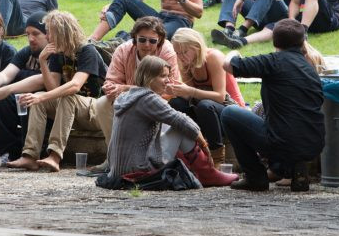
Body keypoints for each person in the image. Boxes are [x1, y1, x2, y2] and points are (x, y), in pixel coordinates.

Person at [101, 55, 239, 188]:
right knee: (180, 127)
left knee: (170, 124)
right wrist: (203, 143)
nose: (167, 80)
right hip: (137, 170)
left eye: (168, 76)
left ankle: (198, 170)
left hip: (118, 171)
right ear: (148, 77)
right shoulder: (147, 98)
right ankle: (208, 174)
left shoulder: (128, 96)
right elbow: (180, 120)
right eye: (162, 76)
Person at [221, 19, 325, 192]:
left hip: (282, 141)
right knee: (279, 121)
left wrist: (233, 53)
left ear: (275, 41)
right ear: (302, 41)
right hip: (314, 143)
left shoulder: (273, 61)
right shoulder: (309, 68)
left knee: (229, 114)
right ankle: (289, 169)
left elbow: (229, 65)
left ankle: (255, 177)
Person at [7, 11, 108, 172]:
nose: (47, 37)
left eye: (50, 32)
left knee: (66, 97)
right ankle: (30, 156)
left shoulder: (87, 51)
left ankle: (55, 156)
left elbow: (75, 85)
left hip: (97, 110)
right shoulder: (57, 54)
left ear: (62, 32)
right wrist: (42, 61)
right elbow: (53, 89)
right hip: (74, 109)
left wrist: (42, 98)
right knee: (39, 97)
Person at [94, 17, 180, 156]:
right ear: (134, 38)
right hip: (127, 100)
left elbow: (172, 87)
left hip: (159, 99)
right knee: (102, 103)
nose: (147, 45)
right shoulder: (123, 50)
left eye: (152, 41)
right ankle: (114, 156)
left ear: (160, 41)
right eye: (142, 39)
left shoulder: (167, 51)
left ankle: (149, 157)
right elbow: (111, 81)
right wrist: (111, 88)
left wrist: (127, 88)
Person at [169, 28, 245, 167]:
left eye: (184, 52)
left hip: (231, 109)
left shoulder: (213, 57)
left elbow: (220, 96)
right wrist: (172, 90)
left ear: (197, 47)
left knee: (205, 105)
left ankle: (217, 158)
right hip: (205, 106)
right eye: (177, 53)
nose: (180, 57)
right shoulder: (185, 62)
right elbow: (188, 97)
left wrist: (189, 91)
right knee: (176, 103)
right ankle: (190, 150)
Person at [0, 12, 50, 161]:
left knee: (7, 99)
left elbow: (42, 80)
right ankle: (1, 151)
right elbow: (5, 75)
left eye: (36, 34)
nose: (30, 39)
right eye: (27, 34)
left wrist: (6, 90)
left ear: (48, 34)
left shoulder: (54, 53)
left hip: (46, 99)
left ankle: (11, 151)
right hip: (24, 99)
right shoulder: (27, 52)